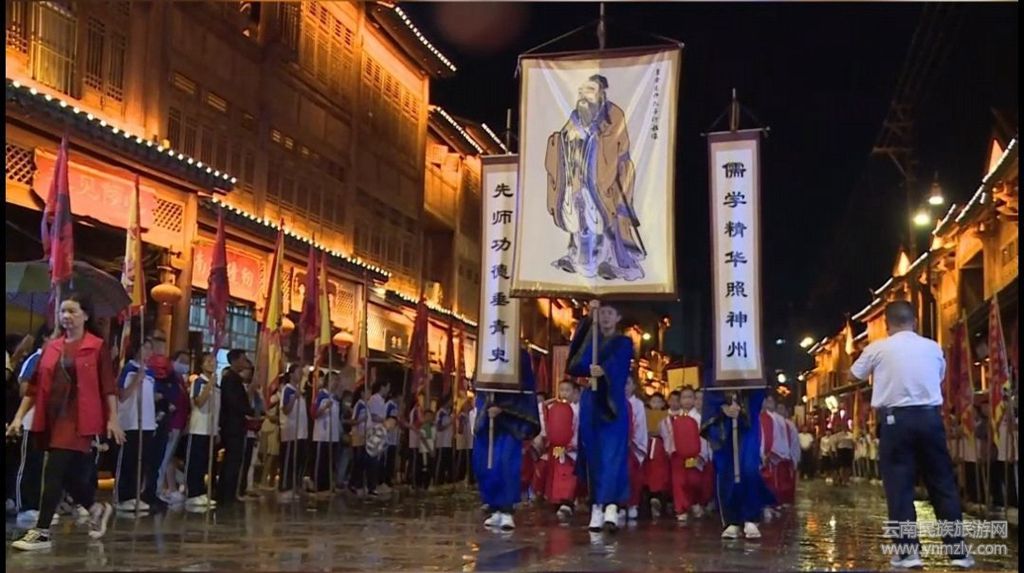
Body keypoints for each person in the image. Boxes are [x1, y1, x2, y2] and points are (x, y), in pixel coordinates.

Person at [850, 300, 973, 569]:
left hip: (895, 421)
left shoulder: (877, 348)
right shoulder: (933, 347)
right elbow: (938, 377)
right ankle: (958, 552)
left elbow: (853, 375)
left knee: (900, 487)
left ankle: (908, 553)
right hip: (930, 418)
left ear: (887, 324)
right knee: (942, 483)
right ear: (914, 322)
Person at [7, 294, 124, 550]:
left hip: (78, 418)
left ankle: (42, 532)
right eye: (63, 312)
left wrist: (113, 419)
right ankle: (95, 507)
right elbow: (33, 388)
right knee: (65, 474)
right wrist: (18, 417)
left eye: (72, 311)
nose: (66, 316)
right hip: (50, 416)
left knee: (53, 471)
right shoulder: (52, 347)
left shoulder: (96, 347)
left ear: (86, 315)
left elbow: (108, 387)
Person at [544, 74, 644, 281]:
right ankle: (576, 258)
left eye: (589, 91)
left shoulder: (613, 115)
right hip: (579, 180)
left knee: (606, 222)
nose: (583, 96)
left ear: (601, 94)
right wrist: (567, 140)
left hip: (609, 177)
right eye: (581, 91)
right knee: (579, 222)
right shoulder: (575, 117)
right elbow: (564, 141)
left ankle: (611, 261)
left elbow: (616, 146)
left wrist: (592, 138)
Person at [566, 302, 633, 533]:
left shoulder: (623, 342)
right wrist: (587, 319)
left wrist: (603, 370)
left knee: (612, 455)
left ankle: (611, 506)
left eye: (610, 313)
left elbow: (620, 364)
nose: (605, 317)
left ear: (618, 317)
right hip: (591, 403)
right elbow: (575, 363)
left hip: (612, 405)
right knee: (593, 454)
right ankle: (596, 506)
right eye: (602, 312)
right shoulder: (591, 339)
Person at [474, 349, 541, 531]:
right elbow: (480, 384)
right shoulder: (486, 348)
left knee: (506, 463)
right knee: (488, 464)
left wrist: (504, 408)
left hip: (511, 424)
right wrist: (487, 406)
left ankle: (507, 509)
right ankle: (494, 507)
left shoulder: (521, 355)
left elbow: (526, 390)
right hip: (489, 422)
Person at [701, 389, 775, 540]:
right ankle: (731, 520)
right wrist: (722, 407)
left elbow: (759, 385)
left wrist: (742, 406)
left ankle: (750, 517)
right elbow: (710, 388)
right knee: (726, 469)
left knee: (749, 467)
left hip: (747, 419)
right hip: (724, 423)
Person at [114, 337, 157, 513]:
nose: (147, 351)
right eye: (144, 347)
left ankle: (135, 495)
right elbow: (122, 395)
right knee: (128, 461)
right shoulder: (129, 368)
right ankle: (123, 497)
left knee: (142, 462)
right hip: (131, 421)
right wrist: (136, 380)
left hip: (147, 423)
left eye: (150, 348)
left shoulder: (151, 373)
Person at [217, 350, 255, 507]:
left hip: (237, 425)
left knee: (235, 460)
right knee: (231, 461)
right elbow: (233, 402)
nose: (245, 362)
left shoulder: (236, 379)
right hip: (232, 425)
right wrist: (248, 410)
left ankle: (230, 493)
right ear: (235, 360)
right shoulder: (230, 379)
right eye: (243, 359)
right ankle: (226, 494)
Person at [663, 388, 703, 523]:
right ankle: (681, 509)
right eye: (684, 397)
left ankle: (695, 502)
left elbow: (703, 437)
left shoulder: (699, 417)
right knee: (679, 482)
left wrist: (700, 454)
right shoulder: (672, 418)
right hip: (677, 454)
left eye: (690, 397)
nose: (687, 400)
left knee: (694, 481)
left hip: (695, 454)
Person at [541, 380, 579, 522]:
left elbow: (577, 428)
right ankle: (556, 498)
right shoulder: (555, 407)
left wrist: (572, 444)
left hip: (571, 448)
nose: (564, 393)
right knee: (556, 469)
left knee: (568, 474)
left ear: (574, 392)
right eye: (561, 390)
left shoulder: (576, 409)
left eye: (567, 390)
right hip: (557, 447)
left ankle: (567, 501)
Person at [184, 352, 218, 508]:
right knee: (195, 462)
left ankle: (201, 492)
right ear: (202, 365)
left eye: (214, 361)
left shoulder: (216, 385)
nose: (212, 363)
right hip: (199, 428)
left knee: (205, 462)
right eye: (208, 361)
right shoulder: (198, 381)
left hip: (211, 429)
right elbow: (199, 402)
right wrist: (209, 385)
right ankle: (192, 493)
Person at [158, 350, 191, 505]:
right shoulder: (169, 377)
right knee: (163, 458)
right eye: (182, 361)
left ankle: (169, 488)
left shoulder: (180, 380)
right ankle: (160, 489)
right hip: (172, 423)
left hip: (179, 423)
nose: (185, 364)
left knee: (168, 457)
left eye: (187, 362)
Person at [278, 364, 308, 502]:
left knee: (298, 460)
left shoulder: (299, 391)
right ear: (291, 374)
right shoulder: (287, 389)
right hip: (290, 431)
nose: (300, 375)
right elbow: (286, 410)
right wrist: (293, 398)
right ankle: (285, 487)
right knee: (288, 460)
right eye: (298, 372)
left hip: (301, 431)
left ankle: (296, 486)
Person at [311, 373, 340, 495]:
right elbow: (313, 414)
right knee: (321, 462)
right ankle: (319, 486)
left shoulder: (335, 398)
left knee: (330, 462)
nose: (336, 383)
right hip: (322, 435)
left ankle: (327, 486)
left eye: (337, 380)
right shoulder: (321, 395)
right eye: (334, 380)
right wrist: (324, 408)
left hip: (333, 436)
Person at [644, 392, 671, 518]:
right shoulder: (645, 414)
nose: (656, 404)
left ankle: (659, 497)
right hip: (648, 444)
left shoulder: (667, 416)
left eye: (659, 402)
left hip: (660, 445)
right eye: (653, 401)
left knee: (660, 472)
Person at [625, 377, 648, 523]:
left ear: (634, 386)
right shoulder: (615, 401)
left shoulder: (638, 404)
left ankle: (632, 504)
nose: (624, 387)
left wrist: (632, 440)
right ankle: (619, 505)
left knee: (633, 476)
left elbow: (640, 425)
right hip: (617, 445)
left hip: (632, 445)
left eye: (628, 383)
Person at [435, 396, 456, 487]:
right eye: (450, 401)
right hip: (442, 442)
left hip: (448, 442)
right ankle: (439, 481)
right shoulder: (440, 413)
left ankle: (448, 481)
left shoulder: (449, 413)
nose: (451, 403)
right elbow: (439, 427)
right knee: (441, 463)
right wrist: (450, 423)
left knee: (448, 463)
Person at [416, 409, 437, 491]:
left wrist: (434, 449)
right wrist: (429, 449)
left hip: (431, 449)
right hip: (425, 450)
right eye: (427, 416)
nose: (429, 418)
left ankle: (428, 484)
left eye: (430, 416)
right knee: (425, 467)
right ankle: (423, 485)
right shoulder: (424, 427)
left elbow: (435, 439)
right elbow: (423, 439)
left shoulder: (433, 427)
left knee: (430, 467)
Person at [383, 390, 401, 488]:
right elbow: (385, 418)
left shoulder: (396, 406)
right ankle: (385, 479)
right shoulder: (389, 405)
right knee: (388, 459)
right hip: (388, 436)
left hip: (394, 437)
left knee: (392, 459)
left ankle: (389, 478)